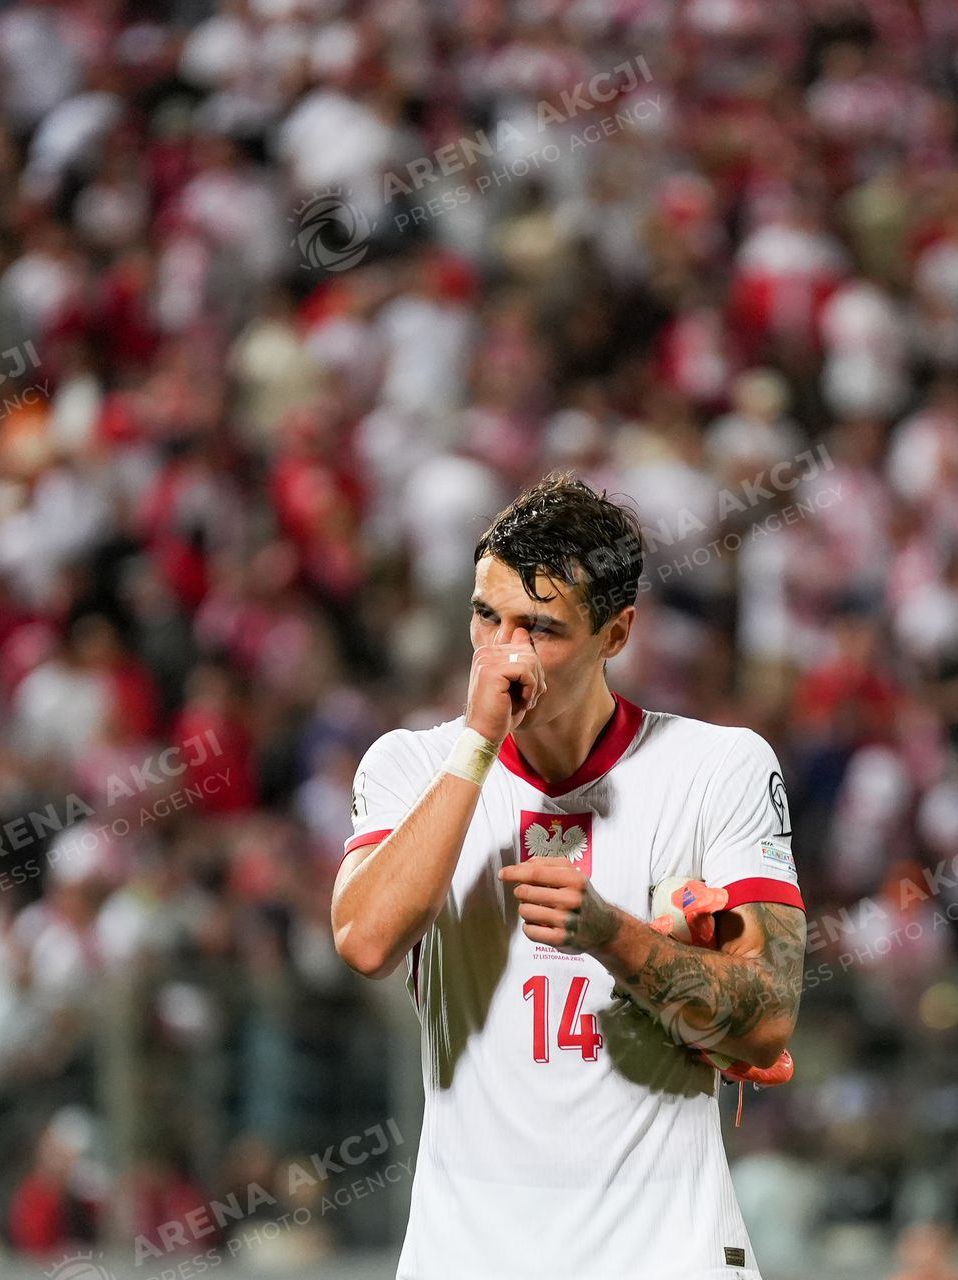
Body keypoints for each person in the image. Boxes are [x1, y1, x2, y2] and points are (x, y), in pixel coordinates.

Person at [331, 474, 806, 1279]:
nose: (505, 653)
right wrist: (478, 745)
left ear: (615, 634)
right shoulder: (410, 766)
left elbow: (768, 1021)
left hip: (666, 1256)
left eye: (541, 629)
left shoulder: (718, 767)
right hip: (469, 1259)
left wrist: (611, 934)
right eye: (487, 617)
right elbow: (365, 939)